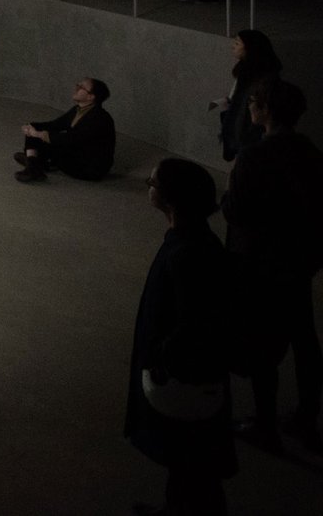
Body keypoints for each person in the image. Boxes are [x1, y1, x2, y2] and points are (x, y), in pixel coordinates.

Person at [127, 158, 236, 516]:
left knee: (194, 454)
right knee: (186, 453)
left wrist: (161, 359)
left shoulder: (190, 252)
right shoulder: (190, 240)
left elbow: (197, 324)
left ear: (171, 199)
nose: (148, 185)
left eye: (154, 182)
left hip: (186, 377)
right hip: (185, 375)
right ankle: (175, 506)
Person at [223, 79, 323, 454]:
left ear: (266, 110)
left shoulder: (254, 157)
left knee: (263, 345)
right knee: (304, 340)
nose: (249, 106)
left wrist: (230, 188)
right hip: (297, 263)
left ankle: (265, 425)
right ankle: (306, 417)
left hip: (260, 265)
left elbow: (236, 212)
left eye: (254, 101)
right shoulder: (311, 152)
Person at [13, 78, 116, 183]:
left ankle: (33, 162)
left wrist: (39, 134)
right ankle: (33, 164)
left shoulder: (99, 118)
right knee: (36, 130)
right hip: (75, 152)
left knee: (44, 138)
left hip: (88, 167)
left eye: (81, 87)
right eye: (78, 84)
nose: (76, 88)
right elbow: (54, 125)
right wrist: (31, 126)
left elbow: (71, 140)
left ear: (91, 96)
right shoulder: (78, 110)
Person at [216, 29, 281, 162]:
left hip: (249, 136)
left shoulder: (261, 80)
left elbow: (246, 112)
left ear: (250, 48)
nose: (233, 46)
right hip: (243, 134)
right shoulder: (244, 72)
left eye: (238, 43)